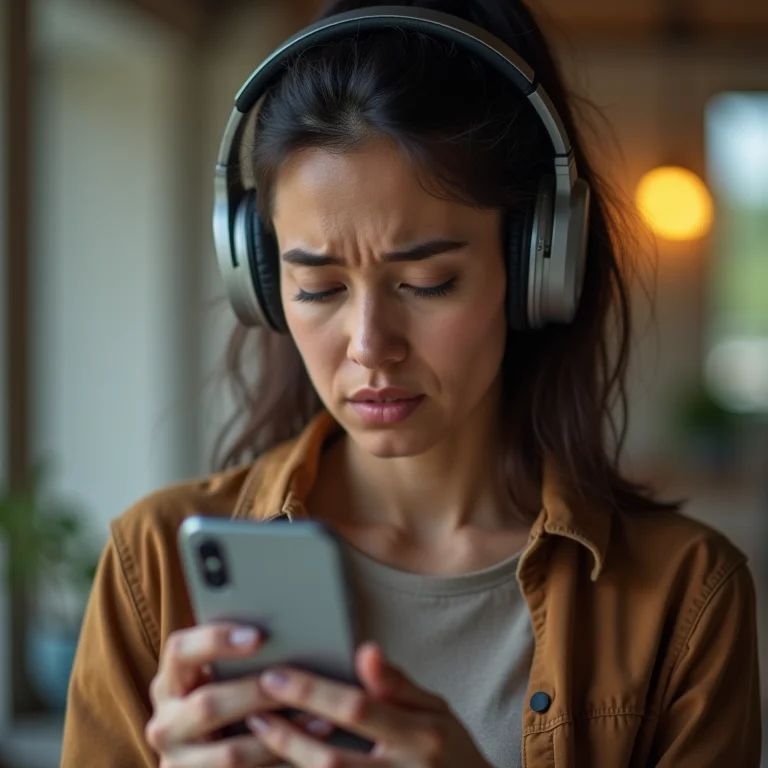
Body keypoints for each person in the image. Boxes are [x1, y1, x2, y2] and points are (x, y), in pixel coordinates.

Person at [61, 0, 761, 766]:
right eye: (320, 289)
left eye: (427, 282)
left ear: (537, 269)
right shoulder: (154, 568)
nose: (370, 348)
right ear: (262, 284)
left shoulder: (686, 597)